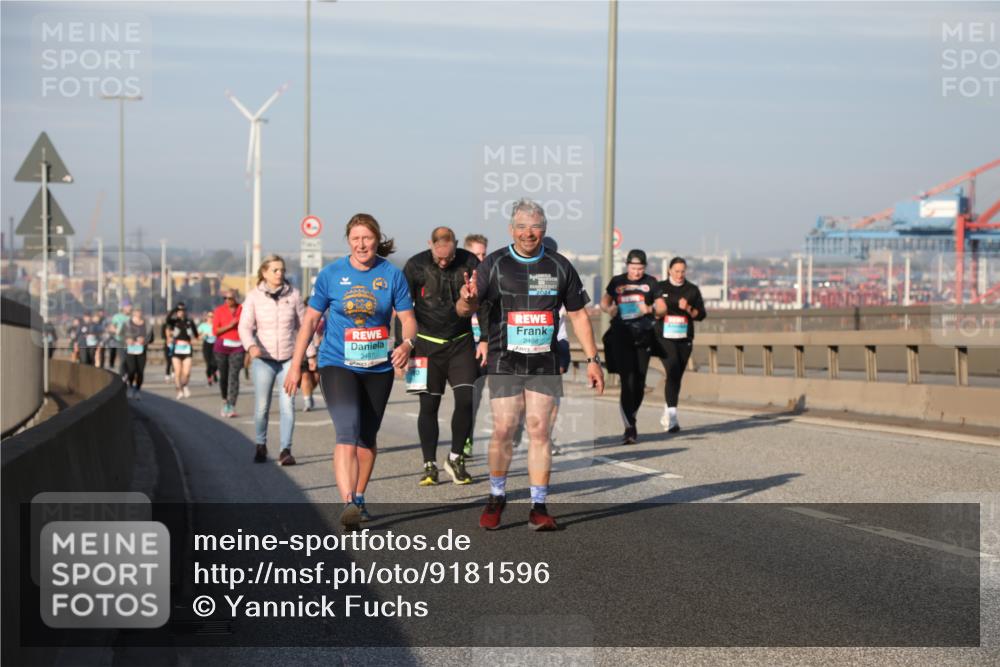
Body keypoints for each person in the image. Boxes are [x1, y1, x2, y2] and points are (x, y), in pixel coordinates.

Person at [468, 198, 604, 532]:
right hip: (504, 359)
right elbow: (469, 305)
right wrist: (466, 297)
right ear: (511, 229)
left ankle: (538, 506)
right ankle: (496, 496)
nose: (529, 233)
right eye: (523, 227)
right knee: (503, 428)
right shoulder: (495, 264)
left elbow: (577, 314)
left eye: (536, 227)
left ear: (544, 229)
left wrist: (592, 359)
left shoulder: (559, 265)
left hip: (543, 361)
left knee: (540, 429)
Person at [283, 213, 416, 529]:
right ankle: (347, 504)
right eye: (355, 239)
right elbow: (310, 323)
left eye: (367, 238)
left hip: (377, 366)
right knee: (347, 430)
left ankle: (358, 496)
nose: (361, 244)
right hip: (337, 363)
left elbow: (408, 318)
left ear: (376, 239)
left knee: (367, 438)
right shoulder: (331, 275)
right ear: (348, 241)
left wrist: (407, 344)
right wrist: (295, 365)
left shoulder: (391, 275)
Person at [403, 226, 479, 486]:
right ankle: (429, 464)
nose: (444, 262)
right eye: (439, 257)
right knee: (428, 405)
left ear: (456, 244)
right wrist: (402, 345)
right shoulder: (415, 265)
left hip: (461, 343)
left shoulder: (470, 261)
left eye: (449, 257)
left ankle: (456, 458)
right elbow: (403, 309)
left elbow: (487, 301)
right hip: (424, 345)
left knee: (467, 400)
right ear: (430, 244)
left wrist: (487, 340)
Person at [239, 255, 315, 466]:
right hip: (263, 358)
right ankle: (260, 444)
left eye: (282, 270)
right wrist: (250, 346)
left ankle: (285, 450)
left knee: (288, 405)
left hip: (288, 359)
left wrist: (311, 354)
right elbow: (244, 326)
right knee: (262, 406)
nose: (280, 273)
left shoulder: (294, 295)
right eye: (275, 270)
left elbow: (304, 327)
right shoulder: (254, 296)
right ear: (264, 273)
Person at [600, 249, 661, 444]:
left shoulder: (651, 282)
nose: (636, 272)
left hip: (643, 336)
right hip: (621, 334)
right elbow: (604, 302)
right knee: (628, 379)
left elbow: (662, 308)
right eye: (634, 268)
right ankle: (629, 427)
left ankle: (631, 417)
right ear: (628, 266)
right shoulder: (617, 282)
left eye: (640, 268)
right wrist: (610, 309)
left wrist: (649, 309)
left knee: (640, 381)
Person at [653, 257, 707, 433]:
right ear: (669, 271)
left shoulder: (692, 290)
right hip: (664, 337)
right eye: (676, 271)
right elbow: (650, 308)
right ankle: (673, 417)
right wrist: (656, 312)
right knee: (672, 367)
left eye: (682, 271)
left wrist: (689, 309)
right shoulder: (660, 288)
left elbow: (701, 315)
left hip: (684, 339)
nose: (679, 274)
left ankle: (668, 409)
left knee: (676, 375)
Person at [463, 233, 489, 457]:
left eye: (483, 254)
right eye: (476, 254)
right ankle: (464, 437)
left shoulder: (491, 278)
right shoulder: (459, 280)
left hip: (489, 345)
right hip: (465, 347)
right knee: (469, 397)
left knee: (482, 396)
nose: (480, 259)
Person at [212, 289, 245, 418]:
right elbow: (216, 331)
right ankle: (224, 399)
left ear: (236, 298)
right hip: (222, 347)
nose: (227, 301)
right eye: (225, 298)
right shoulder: (219, 310)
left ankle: (231, 405)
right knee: (224, 376)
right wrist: (230, 326)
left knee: (234, 376)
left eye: (230, 298)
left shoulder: (242, 309)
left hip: (238, 346)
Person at [165, 303, 198, 399]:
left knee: (186, 372)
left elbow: (196, 335)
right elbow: (167, 319)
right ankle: (179, 390)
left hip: (187, 348)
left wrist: (195, 339)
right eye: (179, 311)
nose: (181, 313)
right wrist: (175, 309)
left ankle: (184, 385)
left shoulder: (189, 322)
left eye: (183, 311)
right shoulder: (174, 321)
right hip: (176, 349)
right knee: (178, 372)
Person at [122, 306, 153, 399]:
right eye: (136, 311)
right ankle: (130, 386)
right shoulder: (127, 324)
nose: (138, 313)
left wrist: (144, 340)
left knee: (140, 371)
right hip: (130, 351)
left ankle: (137, 389)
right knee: (132, 370)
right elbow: (120, 335)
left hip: (141, 351)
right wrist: (127, 339)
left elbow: (151, 338)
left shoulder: (147, 324)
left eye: (140, 311)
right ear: (133, 312)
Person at [198, 311, 218, 386]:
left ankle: (214, 372)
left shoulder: (216, 325)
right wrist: (204, 335)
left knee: (215, 362)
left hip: (215, 344)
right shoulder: (203, 325)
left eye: (212, 317)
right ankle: (209, 378)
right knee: (208, 363)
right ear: (207, 317)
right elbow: (198, 337)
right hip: (207, 345)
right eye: (209, 316)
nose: (211, 318)